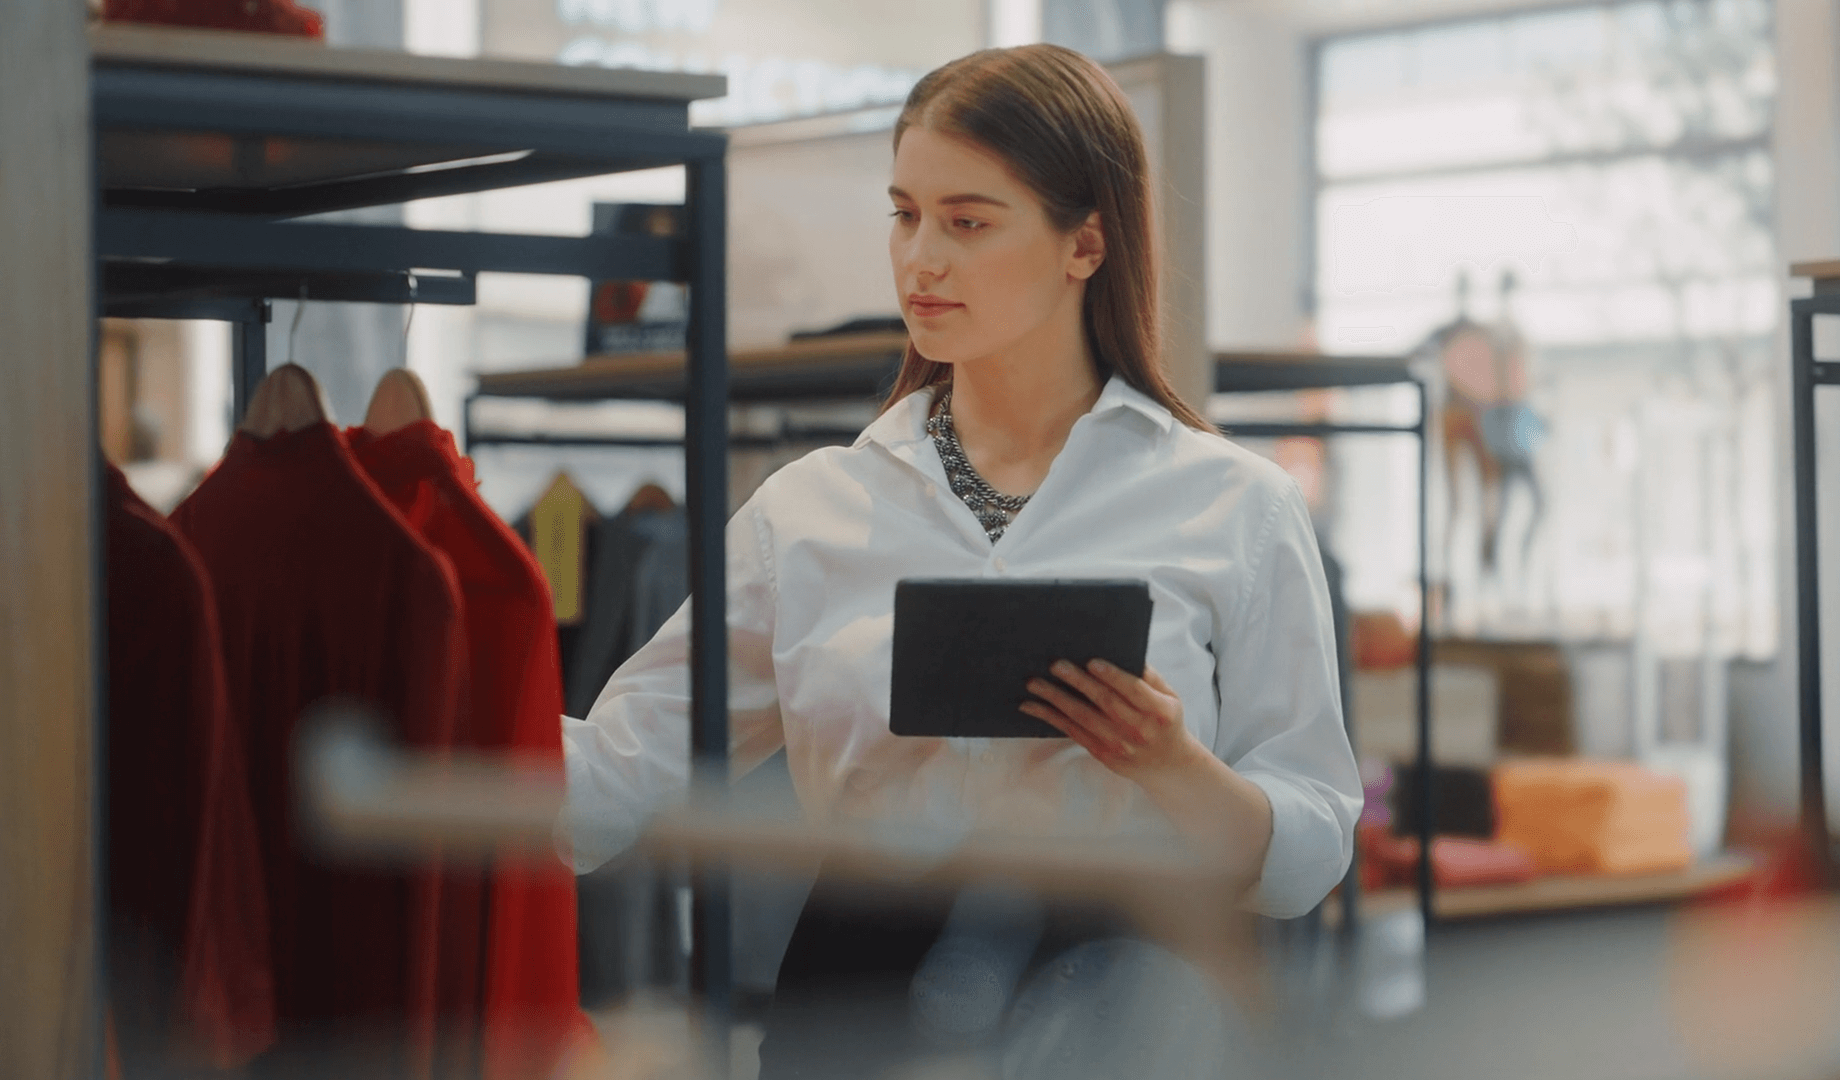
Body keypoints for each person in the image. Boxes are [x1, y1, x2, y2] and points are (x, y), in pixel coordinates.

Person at [559, 43, 1362, 1078]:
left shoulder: (1234, 507)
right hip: (850, 1003)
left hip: (1126, 1004)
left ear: (1086, 243)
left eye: (967, 222)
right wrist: (393, 711)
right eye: (904, 214)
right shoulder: (807, 513)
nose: (920, 261)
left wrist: (1171, 763)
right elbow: (616, 775)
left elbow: (1308, 849)